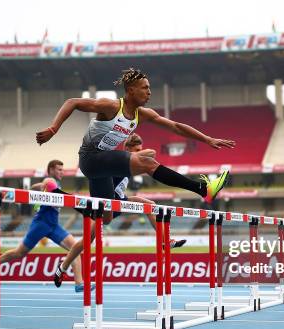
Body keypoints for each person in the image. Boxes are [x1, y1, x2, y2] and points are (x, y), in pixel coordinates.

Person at [35, 67, 235, 228]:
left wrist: (207, 139)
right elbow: (73, 102)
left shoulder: (143, 114)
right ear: (131, 90)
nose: (149, 92)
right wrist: (54, 128)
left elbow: (175, 127)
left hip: (103, 165)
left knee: (105, 217)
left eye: (149, 88)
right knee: (148, 163)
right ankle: (202, 189)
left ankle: (61, 196)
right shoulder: (112, 106)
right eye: (144, 87)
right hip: (90, 158)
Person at [52, 133, 186, 287]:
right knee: (86, 241)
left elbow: (152, 153)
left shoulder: (130, 163)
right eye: (135, 150)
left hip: (120, 201)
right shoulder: (117, 162)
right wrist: (130, 156)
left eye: (139, 150)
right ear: (127, 149)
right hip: (106, 205)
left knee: (150, 205)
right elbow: (149, 154)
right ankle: (62, 268)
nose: (138, 152)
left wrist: (135, 155)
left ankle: (165, 242)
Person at [0, 160, 89, 292]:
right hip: (41, 224)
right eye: (59, 169)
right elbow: (50, 186)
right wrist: (73, 201)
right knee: (19, 253)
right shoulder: (50, 181)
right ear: (51, 170)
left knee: (75, 248)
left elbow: (39, 186)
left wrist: (33, 189)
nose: (62, 172)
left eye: (62, 169)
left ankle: (79, 284)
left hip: (53, 225)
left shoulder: (51, 182)